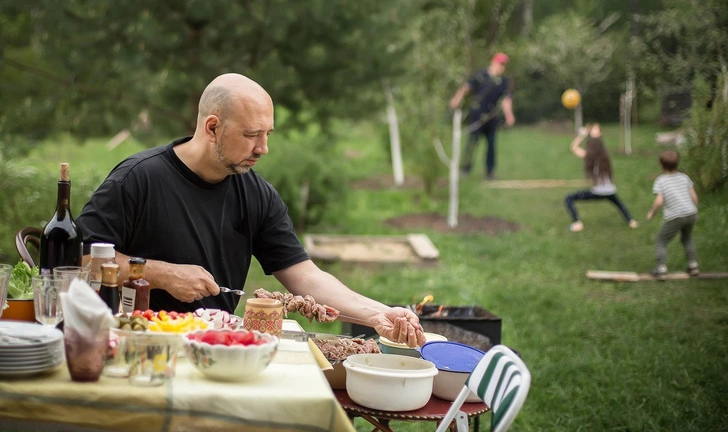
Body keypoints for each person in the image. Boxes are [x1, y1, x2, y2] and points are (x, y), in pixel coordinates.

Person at [77, 73, 425, 347]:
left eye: (268, 133)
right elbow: (78, 262)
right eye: (252, 134)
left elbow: (305, 277)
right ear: (212, 128)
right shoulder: (138, 179)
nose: (265, 148)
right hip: (137, 344)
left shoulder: (257, 194)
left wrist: (380, 314)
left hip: (218, 348)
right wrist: (163, 274)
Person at [449, 52, 515, 180]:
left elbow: (506, 100)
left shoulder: (503, 82)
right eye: (500, 64)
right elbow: (466, 88)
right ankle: (465, 169)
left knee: (491, 146)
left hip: (491, 118)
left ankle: (490, 172)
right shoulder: (481, 75)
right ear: (493, 62)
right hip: (477, 116)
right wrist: (456, 99)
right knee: (472, 143)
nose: (502, 67)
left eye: (504, 65)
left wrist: (509, 116)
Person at [564, 123, 639, 232]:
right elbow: (598, 143)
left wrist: (584, 134)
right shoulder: (605, 156)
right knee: (619, 204)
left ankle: (577, 223)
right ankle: (631, 221)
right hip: (610, 191)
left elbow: (573, 147)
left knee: (568, 198)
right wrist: (596, 134)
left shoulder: (589, 157)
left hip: (597, 192)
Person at [646, 150, 699, 277]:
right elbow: (694, 196)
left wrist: (651, 213)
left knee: (661, 241)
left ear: (661, 165)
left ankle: (661, 268)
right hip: (690, 213)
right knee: (687, 237)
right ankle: (693, 266)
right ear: (677, 163)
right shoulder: (684, 177)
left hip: (675, 216)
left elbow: (659, 202)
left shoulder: (661, 181)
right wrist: (695, 211)